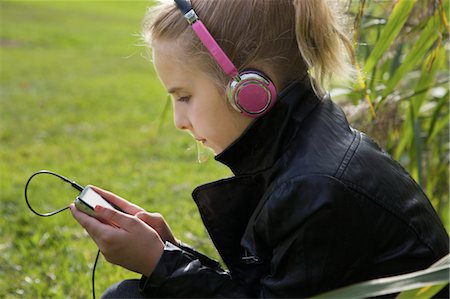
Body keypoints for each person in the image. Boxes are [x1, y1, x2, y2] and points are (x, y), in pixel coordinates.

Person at [70, 0, 449, 298]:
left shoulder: (317, 188)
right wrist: (171, 254)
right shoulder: (303, 149)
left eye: (184, 96)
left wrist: (159, 264)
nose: (178, 121)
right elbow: (269, 287)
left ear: (249, 89)